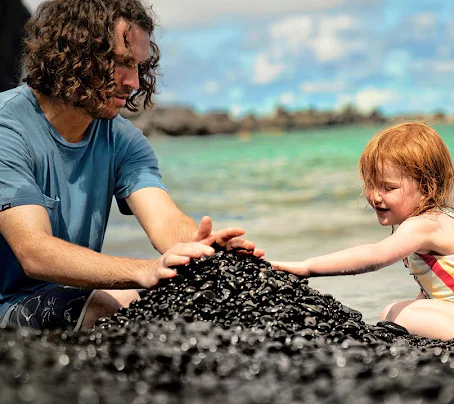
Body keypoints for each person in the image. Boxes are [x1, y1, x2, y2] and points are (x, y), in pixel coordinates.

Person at [0, 0, 263, 332]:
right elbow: (34, 252)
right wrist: (142, 270)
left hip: (67, 293)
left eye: (138, 65)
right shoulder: (7, 127)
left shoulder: (122, 138)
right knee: (108, 305)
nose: (134, 81)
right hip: (6, 303)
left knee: (158, 302)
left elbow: (165, 220)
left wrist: (199, 248)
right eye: (121, 63)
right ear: (73, 53)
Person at [254, 122, 454, 353]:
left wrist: (308, 267)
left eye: (388, 187)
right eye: (370, 185)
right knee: (392, 312)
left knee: (406, 316)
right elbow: (438, 289)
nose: (375, 196)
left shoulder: (427, 223)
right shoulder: (426, 222)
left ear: (427, 188)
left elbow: (375, 257)